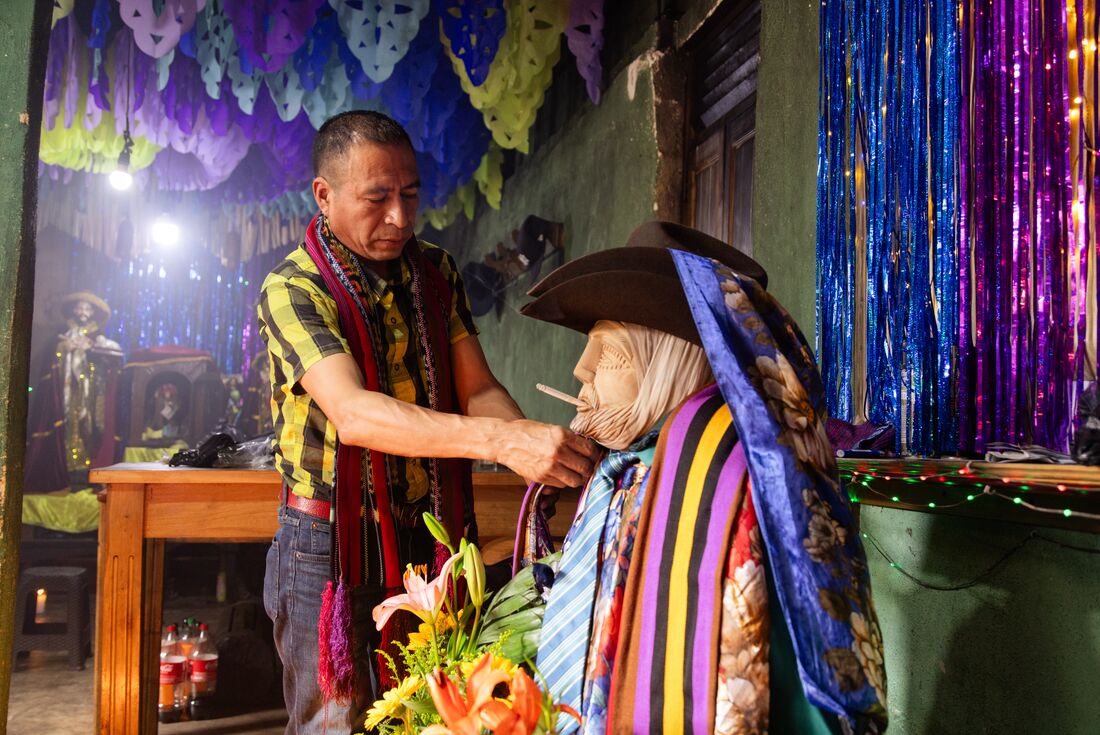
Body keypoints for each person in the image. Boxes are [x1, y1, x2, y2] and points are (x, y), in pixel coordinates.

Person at [257, 111, 598, 734]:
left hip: (429, 535)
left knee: (431, 710)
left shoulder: (434, 272)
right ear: (324, 195)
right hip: (326, 548)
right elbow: (355, 415)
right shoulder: (293, 288)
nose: (400, 218)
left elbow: (479, 390)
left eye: (410, 195)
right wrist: (501, 440)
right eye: (377, 198)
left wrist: (534, 454)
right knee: (335, 721)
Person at [24, 291, 123, 492]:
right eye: (79, 307)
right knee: (69, 428)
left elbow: (110, 361)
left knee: (89, 428)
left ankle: (88, 471)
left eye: (87, 308)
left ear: (92, 313)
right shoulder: (62, 336)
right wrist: (65, 349)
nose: (82, 312)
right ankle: (68, 471)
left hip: (90, 396)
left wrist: (90, 349)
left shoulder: (99, 338)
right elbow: (52, 364)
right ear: (73, 310)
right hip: (67, 393)